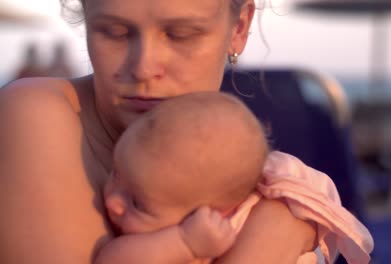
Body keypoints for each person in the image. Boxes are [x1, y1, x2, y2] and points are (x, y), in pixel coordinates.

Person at [0, 0, 371, 263]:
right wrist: (274, 233)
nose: (144, 67)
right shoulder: (35, 116)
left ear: (238, 29)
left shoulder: (248, 166)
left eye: (180, 34)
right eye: (114, 32)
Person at [97, 91, 372, 264]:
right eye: (116, 172)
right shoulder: (177, 237)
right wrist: (183, 241)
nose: (112, 202)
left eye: (137, 203)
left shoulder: (243, 220)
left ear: (216, 212)